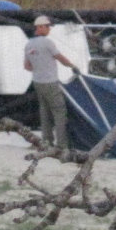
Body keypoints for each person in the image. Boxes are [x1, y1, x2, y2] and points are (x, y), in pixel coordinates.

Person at [24, 15, 79, 149]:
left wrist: (39, 66)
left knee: (44, 111)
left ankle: (47, 140)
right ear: (40, 27)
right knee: (59, 111)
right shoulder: (47, 43)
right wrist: (73, 67)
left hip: (37, 82)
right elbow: (60, 58)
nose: (49, 29)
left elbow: (27, 66)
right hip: (50, 82)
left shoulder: (29, 44)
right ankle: (61, 144)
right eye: (48, 27)